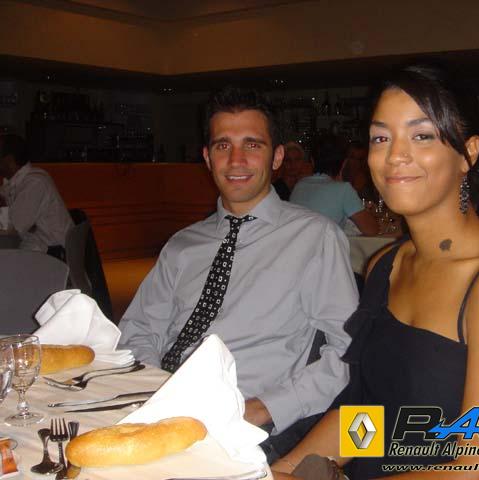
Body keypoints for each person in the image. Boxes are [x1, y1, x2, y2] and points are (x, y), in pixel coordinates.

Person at [272, 65, 479, 479]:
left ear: (469, 153)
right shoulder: (386, 264)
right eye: (380, 138)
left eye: (421, 136)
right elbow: (369, 414)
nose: (394, 156)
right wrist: (283, 470)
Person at [118, 87, 358, 461]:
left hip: (240, 424)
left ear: (277, 157)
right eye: (222, 146)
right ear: (207, 158)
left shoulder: (315, 238)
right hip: (159, 412)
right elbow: (138, 329)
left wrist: (264, 407)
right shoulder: (183, 244)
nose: (236, 160)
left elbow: (348, 351)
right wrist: (158, 387)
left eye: (252, 145)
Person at [0, 133, 73, 257]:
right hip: (36, 248)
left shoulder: (35, 182)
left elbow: (8, 228)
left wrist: (3, 207)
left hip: (54, 253)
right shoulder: (12, 183)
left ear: (9, 160)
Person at [290, 134, 379, 235]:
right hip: (324, 245)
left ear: (312, 161)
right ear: (343, 163)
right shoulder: (343, 189)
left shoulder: (299, 186)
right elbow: (372, 230)